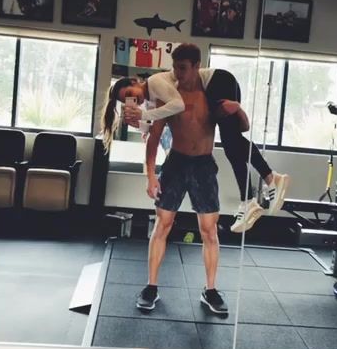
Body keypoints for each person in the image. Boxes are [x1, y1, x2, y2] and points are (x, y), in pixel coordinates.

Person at [122, 44, 290, 233]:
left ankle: (256, 192)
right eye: (126, 100)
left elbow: (177, 106)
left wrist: (143, 116)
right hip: (217, 90)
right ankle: (262, 186)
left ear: (135, 82)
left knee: (231, 143)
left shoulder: (154, 82)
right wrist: (139, 123)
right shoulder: (153, 99)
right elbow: (156, 125)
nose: (177, 73)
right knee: (233, 143)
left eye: (130, 93)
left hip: (220, 82)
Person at [137, 49, 228, 315]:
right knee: (162, 225)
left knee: (209, 231)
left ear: (198, 66)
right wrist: (150, 175)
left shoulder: (210, 93)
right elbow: (154, 137)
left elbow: (239, 128)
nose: (178, 73)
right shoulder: (168, 94)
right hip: (176, 163)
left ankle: (210, 291)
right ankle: (151, 287)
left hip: (203, 166)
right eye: (175, 67)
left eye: (184, 68)